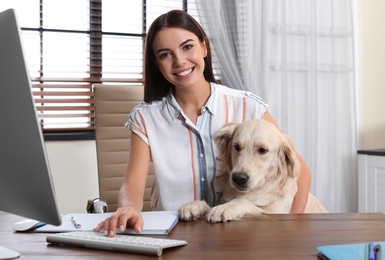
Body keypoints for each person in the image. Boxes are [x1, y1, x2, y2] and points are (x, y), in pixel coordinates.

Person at [94, 9, 311, 237]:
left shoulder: (249, 106)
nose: (180, 61)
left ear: (204, 47)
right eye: (165, 54)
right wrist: (128, 207)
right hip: (175, 234)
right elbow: (133, 185)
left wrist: (289, 231)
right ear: (157, 64)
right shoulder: (146, 118)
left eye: (187, 47)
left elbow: (301, 174)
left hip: (243, 237)